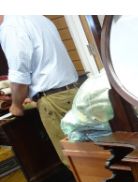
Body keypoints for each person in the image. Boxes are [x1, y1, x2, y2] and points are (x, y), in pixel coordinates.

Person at [0, 15, 79, 165]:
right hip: (72, 92)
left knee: (75, 161)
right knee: (92, 154)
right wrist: (32, 94)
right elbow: (41, 62)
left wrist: (16, 105)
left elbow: (19, 75)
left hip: (55, 102)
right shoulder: (37, 17)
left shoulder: (11, 27)